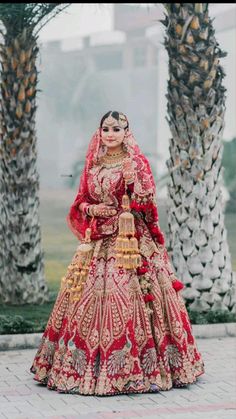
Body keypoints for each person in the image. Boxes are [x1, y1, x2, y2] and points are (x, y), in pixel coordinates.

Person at [30, 110, 204, 396]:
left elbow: (146, 202)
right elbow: (82, 201)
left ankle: (144, 368)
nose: (109, 134)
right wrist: (92, 209)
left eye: (116, 129)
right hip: (98, 240)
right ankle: (78, 368)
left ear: (126, 132)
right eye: (105, 129)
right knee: (82, 297)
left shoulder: (135, 162)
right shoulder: (94, 164)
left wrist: (135, 182)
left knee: (129, 296)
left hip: (129, 242)